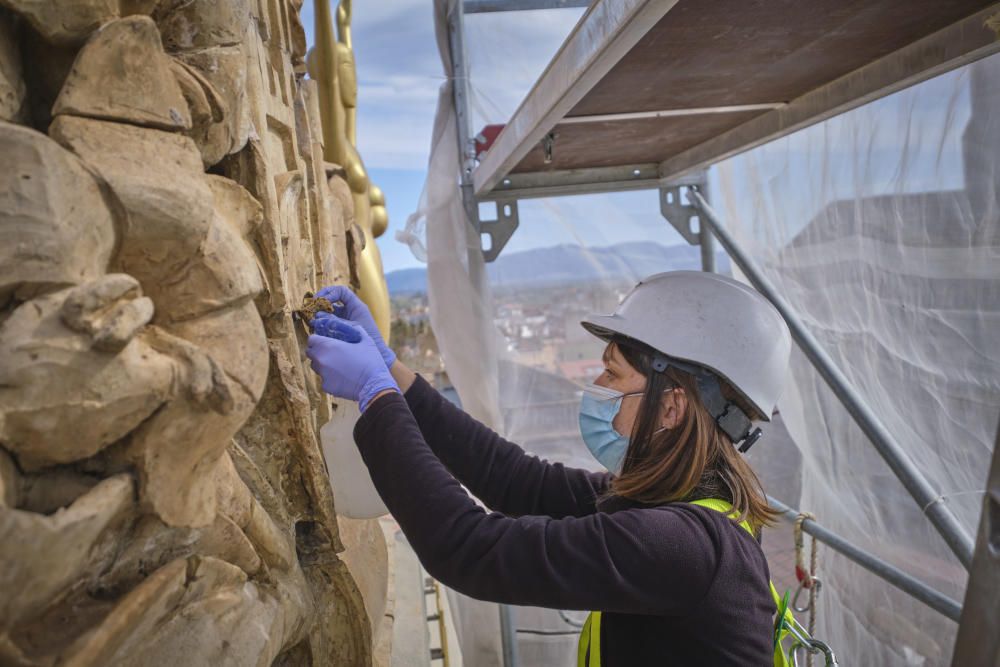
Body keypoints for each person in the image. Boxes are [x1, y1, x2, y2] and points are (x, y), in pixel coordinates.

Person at [306, 271, 792, 666]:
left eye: (614, 374)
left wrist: (376, 398)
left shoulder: (681, 545)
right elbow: (517, 480)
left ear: (671, 407)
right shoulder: (674, 505)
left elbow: (469, 548)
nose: (599, 387)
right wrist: (393, 373)